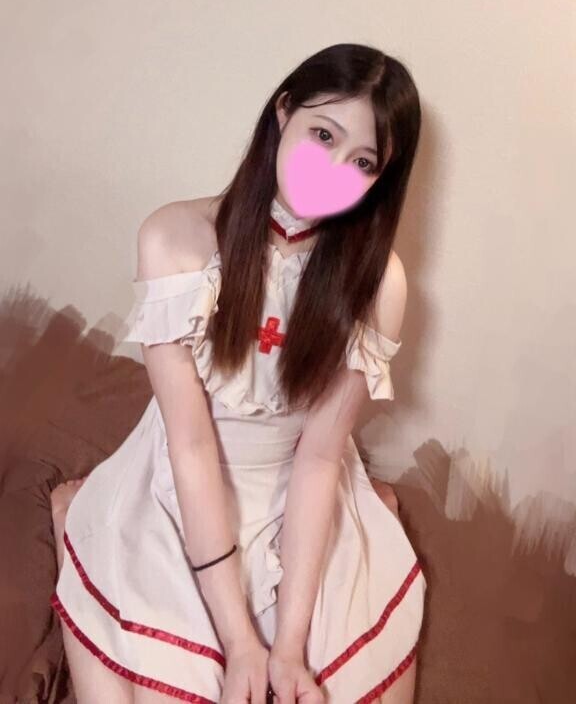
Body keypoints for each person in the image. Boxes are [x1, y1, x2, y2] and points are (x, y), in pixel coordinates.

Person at [49, 42, 427, 703]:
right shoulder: (174, 239)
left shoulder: (379, 281)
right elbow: (191, 445)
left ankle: (371, 512)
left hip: (301, 481)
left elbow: (318, 457)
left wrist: (287, 647)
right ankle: (77, 513)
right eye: (323, 135)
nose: (333, 170)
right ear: (283, 112)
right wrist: (241, 640)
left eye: (363, 161)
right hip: (184, 473)